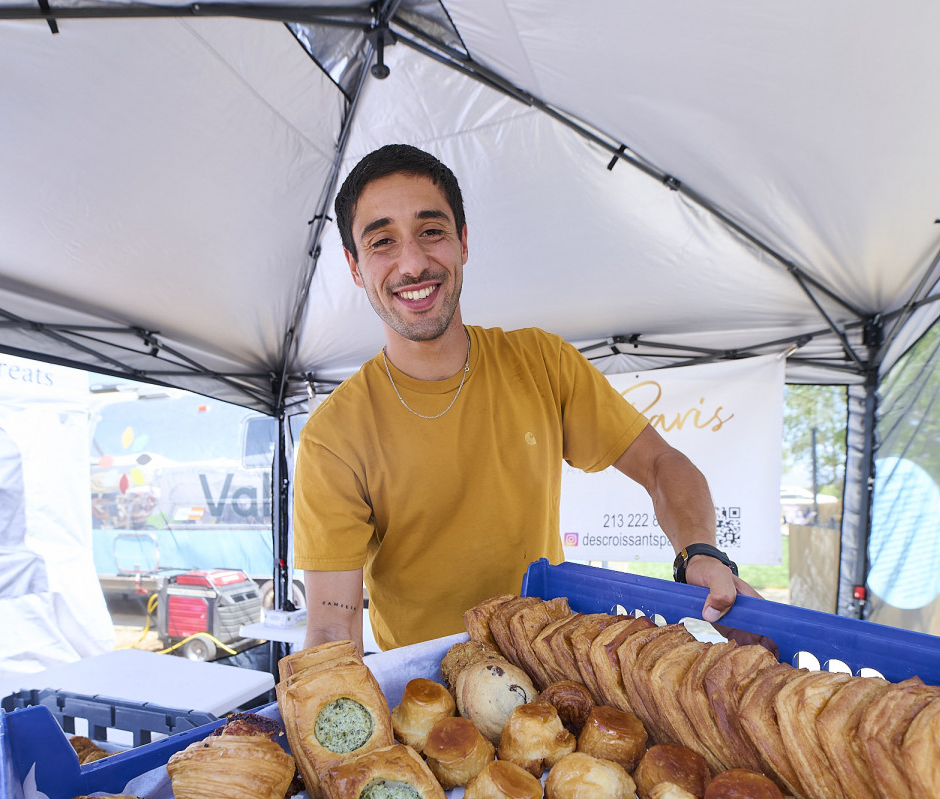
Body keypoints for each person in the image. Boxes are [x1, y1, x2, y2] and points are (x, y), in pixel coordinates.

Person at [293, 144, 757, 651]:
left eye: (432, 231)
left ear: (463, 242)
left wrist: (701, 551)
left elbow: (661, 463)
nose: (413, 262)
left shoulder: (541, 363)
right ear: (355, 267)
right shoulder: (333, 437)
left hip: (552, 676)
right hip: (424, 703)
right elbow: (332, 631)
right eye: (382, 241)